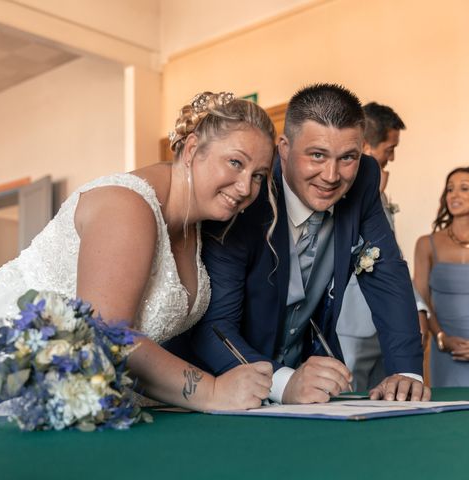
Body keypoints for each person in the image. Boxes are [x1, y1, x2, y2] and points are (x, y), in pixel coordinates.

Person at [0, 91, 277, 418]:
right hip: (9, 367)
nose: (246, 187)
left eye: (258, 175)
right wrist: (210, 391)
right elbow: (107, 333)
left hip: (94, 390)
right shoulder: (128, 206)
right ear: (192, 149)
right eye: (235, 163)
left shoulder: (198, 226)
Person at [189, 84, 429, 404]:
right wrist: (284, 383)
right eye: (317, 155)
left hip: (309, 383)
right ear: (284, 149)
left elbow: (386, 271)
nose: (331, 175)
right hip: (222, 383)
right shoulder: (245, 194)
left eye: (347, 158)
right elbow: (214, 324)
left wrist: (406, 373)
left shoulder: (365, 178)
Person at [335, 102, 429, 390]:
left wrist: (416, 307)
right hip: (347, 323)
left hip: (385, 323)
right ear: (366, 147)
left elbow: (390, 255)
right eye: (390, 148)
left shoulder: (378, 193)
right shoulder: (334, 187)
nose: (393, 157)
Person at [414, 167, 469, 386]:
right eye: (450, 189)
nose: (454, 195)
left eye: (464, 188)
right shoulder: (427, 244)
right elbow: (421, 298)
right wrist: (440, 337)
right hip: (444, 351)